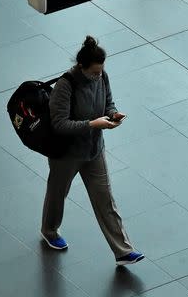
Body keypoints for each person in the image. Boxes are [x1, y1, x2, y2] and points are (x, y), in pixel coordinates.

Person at [41, 36, 144, 266]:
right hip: (66, 154)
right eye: (95, 72)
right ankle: (49, 230)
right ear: (82, 67)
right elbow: (59, 123)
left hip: (94, 150)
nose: (99, 76)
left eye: (101, 71)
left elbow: (108, 101)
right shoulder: (65, 85)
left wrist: (113, 113)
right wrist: (91, 124)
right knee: (58, 194)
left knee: (105, 200)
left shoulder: (102, 77)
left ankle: (124, 251)